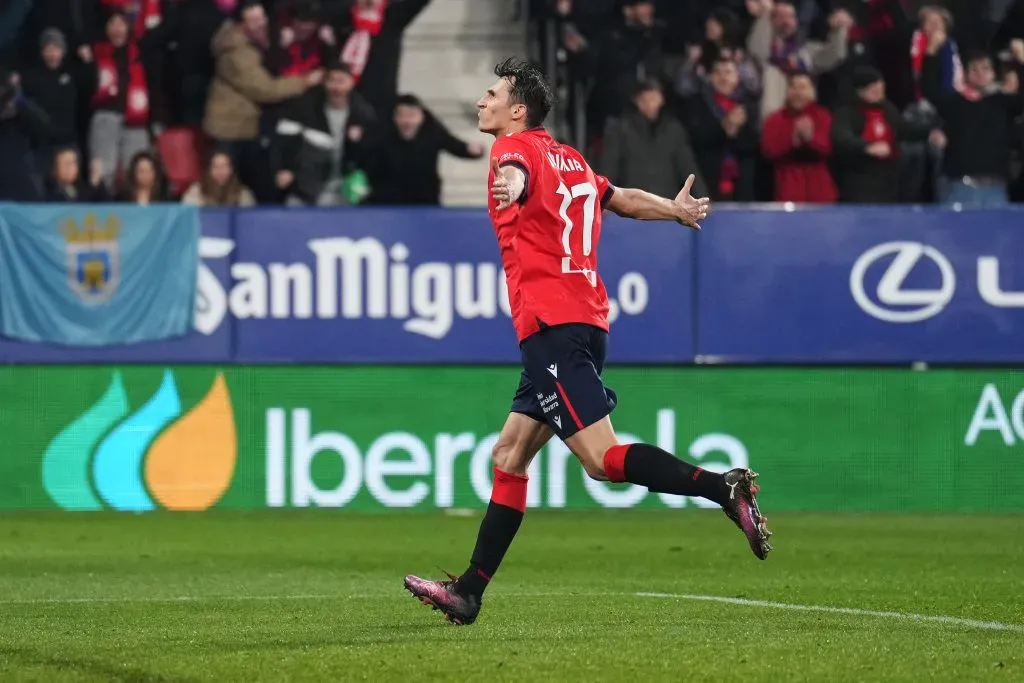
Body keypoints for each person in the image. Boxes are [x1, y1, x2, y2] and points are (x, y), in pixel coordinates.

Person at [403, 58, 772, 626]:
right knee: (509, 456)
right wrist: (672, 209)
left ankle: (723, 488)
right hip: (582, 321)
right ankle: (469, 591)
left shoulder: (512, 150)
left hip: (553, 327)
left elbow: (519, 176)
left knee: (601, 461)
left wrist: (515, 184)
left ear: (517, 110)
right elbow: (618, 196)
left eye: (492, 93)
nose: (482, 101)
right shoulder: (571, 157)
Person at [363, 94, 483, 205]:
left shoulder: (432, 131)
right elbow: (366, 159)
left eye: (411, 115)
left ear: (421, 117)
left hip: (425, 199)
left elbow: (453, 144)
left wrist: (471, 150)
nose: (406, 121)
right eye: (401, 115)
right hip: (390, 200)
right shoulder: (383, 134)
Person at [181, 150, 256, 206]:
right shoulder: (195, 193)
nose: (220, 171)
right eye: (215, 167)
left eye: (225, 166)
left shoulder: (243, 195)